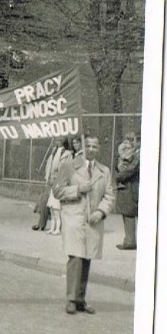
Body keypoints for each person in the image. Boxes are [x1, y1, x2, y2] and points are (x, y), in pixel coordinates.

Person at [52, 134, 116, 315]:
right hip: (74, 218)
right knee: (76, 258)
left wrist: (101, 212)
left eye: (95, 146)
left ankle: (81, 298)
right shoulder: (69, 167)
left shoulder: (104, 171)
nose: (91, 149)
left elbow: (110, 196)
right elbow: (57, 191)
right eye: (88, 145)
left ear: (99, 149)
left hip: (92, 220)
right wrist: (77, 189)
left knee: (87, 258)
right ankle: (71, 299)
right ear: (81, 145)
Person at [40, 138, 74, 235]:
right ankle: (49, 226)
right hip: (51, 182)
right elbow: (49, 166)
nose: (57, 142)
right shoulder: (54, 151)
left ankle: (59, 228)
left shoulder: (67, 153)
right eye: (56, 140)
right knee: (49, 205)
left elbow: (66, 168)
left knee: (57, 208)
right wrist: (47, 177)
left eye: (59, 141)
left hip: (59, 182)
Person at [115, 132, 140, 250]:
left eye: (132, 140)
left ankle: (130, 242)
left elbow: (130, 170)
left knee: (129, 214)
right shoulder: (130, 154)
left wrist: (117, 177)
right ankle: (129, 240)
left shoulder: (138, 155)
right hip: (128, 188)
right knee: (127, 213)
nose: (129, 143)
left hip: (131, 188)